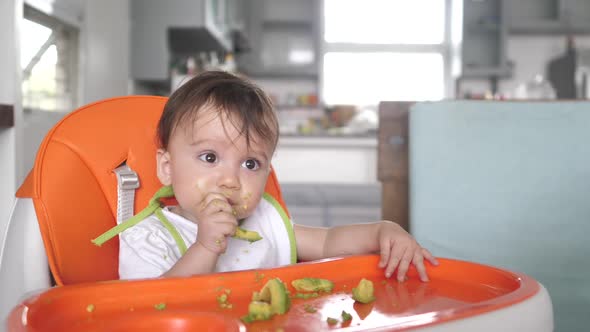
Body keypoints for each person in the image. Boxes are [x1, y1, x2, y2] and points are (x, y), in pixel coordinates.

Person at [110, 71, 438, 281]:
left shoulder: (264, 221)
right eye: (210, 157)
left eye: (250, 164)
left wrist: (383, 231)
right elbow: (151, 308)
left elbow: (327, 242)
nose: (230, 181)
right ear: (167, 167)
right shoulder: (148, 238)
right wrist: (206, 245)